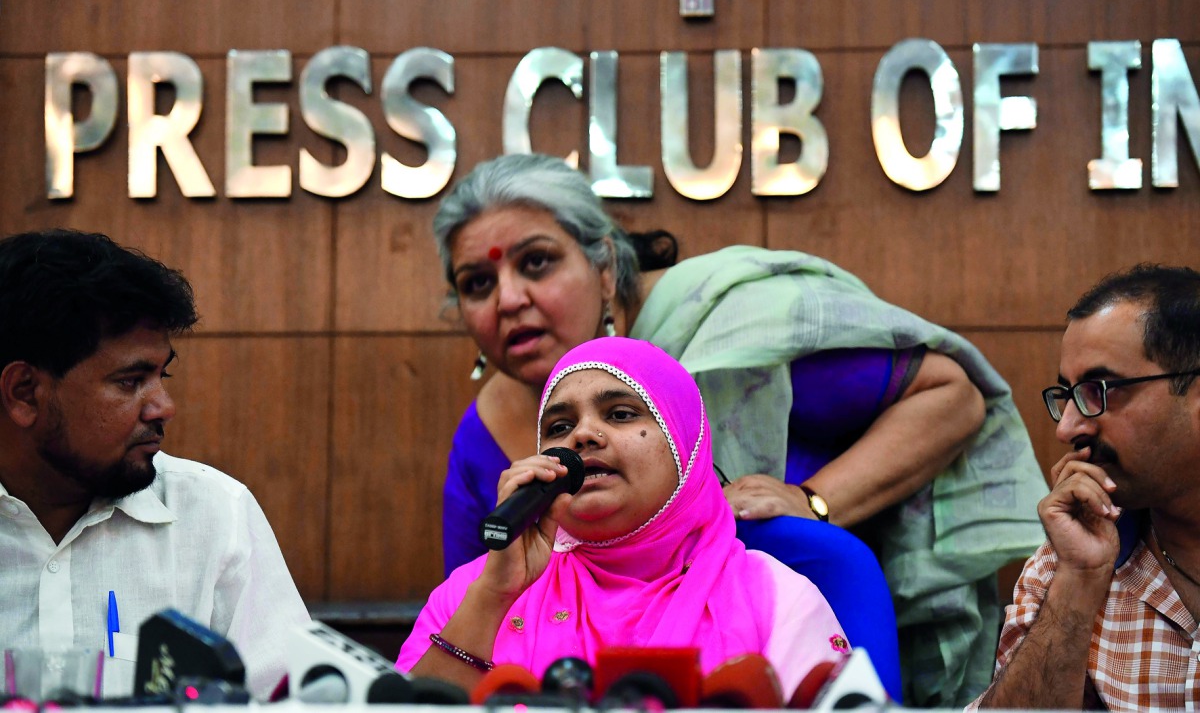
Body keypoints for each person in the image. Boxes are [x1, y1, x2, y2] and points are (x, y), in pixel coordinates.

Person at [432, 153, 1047, 706]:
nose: (508, 298)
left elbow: (951, 395)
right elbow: (477, 630)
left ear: (604, 266)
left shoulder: (730, 334)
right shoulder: (480, 440)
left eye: (536, 262)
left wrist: (814, 500)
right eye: (477, 284)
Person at [398, 336, 851, 698]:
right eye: (559, 427)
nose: (584, 436)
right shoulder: (470, 594)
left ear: (685, 447)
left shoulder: (775, 599)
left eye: (619, 414)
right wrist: (494, 595)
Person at [0, 229, 309, 700]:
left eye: (161, 375)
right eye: (130, 381)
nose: (163, 407)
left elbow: (290, 702)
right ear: (25, 392)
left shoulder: (214, 513)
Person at [973, 264, 1200, 711]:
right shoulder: (1069, 559)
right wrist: (1079, 579)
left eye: (1099, 389)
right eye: (1068, 395)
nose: (1068, 428)